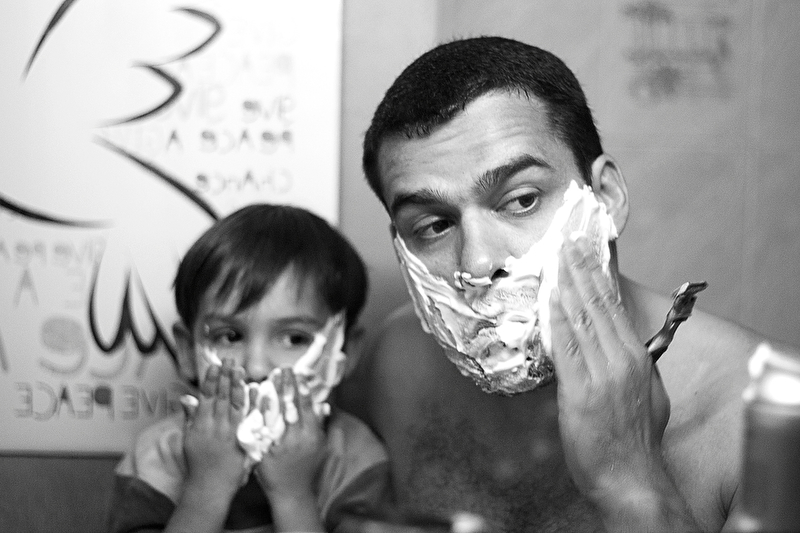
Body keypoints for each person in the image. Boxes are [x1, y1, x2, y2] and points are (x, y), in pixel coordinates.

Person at [337, 36, 800, 532]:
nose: (478, 261)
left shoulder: (776, 423)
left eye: (522, 200)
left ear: (607, 197)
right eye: (434, 226)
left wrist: (632, 483)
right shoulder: (395, 364)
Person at [108, 204, 390, 533]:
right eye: (230, 336)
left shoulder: (357, 462)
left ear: (345, 352)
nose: (255, 368)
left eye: (294, 338)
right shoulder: (155, 458)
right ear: (187, 351)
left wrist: (293, 497)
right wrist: (206, 490)